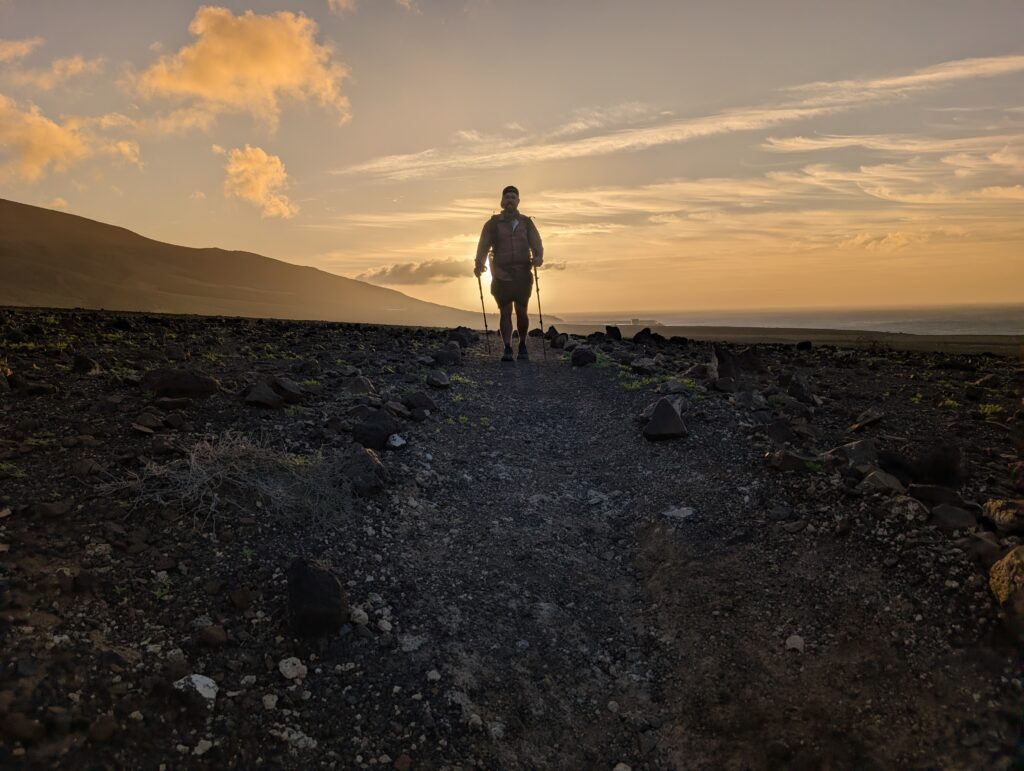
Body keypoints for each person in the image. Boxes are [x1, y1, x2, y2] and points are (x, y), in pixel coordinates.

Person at [474, 185, 544, 361]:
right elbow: (483, 246)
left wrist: (538, 257)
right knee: (505, 311)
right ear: (502, 201)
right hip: (501, 274)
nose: (510, 200)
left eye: (513, 197)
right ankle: (507, 348)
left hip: (522, 273)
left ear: (518, 201)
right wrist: (479, 264)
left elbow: (536, 243)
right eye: (507, 197)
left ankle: (522, 345)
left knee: (522, 311)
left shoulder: (526, 223)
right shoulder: (493, 224)